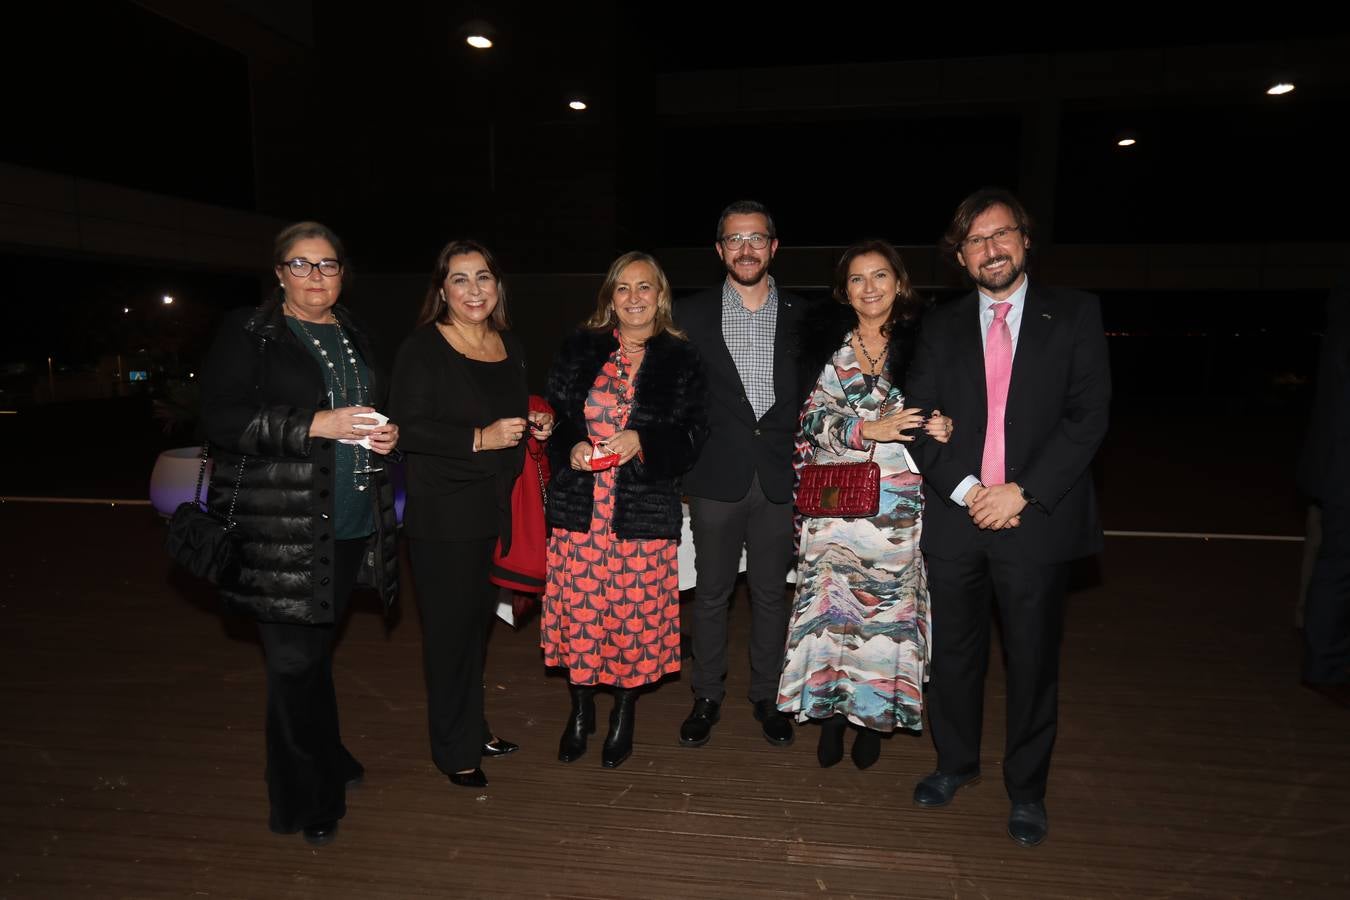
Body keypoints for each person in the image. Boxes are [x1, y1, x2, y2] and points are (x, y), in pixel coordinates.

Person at [904, 189, 1111, 847]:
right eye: (975, 241)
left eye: (1001, 235)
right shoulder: (939, 327)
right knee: (956, 656)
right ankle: (954, 763)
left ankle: (1027, 790)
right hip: (957, 519)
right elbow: (918, 422)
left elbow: (1088, 417)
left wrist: (1021, 492)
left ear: (1024, 240)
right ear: (960, 258)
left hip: (1035, 518)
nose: (991, 248)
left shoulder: (1075, 314)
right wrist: (969, 490)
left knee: (1032, 661)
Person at [200, 221, 400, 846]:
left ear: (343, 272)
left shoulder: (355, 333)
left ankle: (329, 758)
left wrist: (385, 438)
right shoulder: (251, 331)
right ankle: (305, 798)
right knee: (292, 663)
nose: (317, 276)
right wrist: (316, 423)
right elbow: (220, 417)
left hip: (344, 522)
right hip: (277, 527)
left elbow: (362, 414)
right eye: (302, 264)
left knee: (312, 658)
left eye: (328, 265)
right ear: (280, 273)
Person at [779, 240, 953, 769]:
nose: (870, 287)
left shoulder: (929, 342)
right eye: (858, 279)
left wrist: (947, 425)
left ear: (899, 283)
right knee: (832, 614)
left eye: (880, 276)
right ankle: (830, 715)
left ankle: (874, 718)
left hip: (897, 510)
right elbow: (807, 421)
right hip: (833, 504)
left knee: (883, 620)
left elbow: (952, 405)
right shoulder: (825, 347)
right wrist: (864, 429)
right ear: (844, 290)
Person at [388, 240, 553, 790]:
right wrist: (478, 438)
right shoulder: (423, 349)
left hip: (498, 511)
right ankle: (453, 749)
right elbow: (404, 429)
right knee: (449, 637)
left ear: (497, 285)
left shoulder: (508, 344)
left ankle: (474, 726)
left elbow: (515, 404)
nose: (474, 289)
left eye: (483, 277)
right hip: (445, 517)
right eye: (460, 280)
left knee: (475, 634)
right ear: (442, 291)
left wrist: (536, 421)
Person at [542, 251, 707, 769]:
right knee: (582, 617)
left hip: (642, 513)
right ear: (609, 297)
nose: (634, 299)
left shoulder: (681, 358)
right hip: (580, 513)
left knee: (633, 621)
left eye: (645, 288)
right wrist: (568, 444)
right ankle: (580, 710)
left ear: (660, 295)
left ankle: (623, 714)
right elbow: (558, 414)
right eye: (623, 289)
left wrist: (644, 440)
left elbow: (693, 436)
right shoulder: (580, 347)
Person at [674, 200, 805, 748]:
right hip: (714, 479)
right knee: (711, 595)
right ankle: (706, 696)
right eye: (734, 239)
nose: (746, 249)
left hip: (779, 479)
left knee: (773, 595)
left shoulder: (805, 313)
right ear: (719, 250)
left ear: (773, 247)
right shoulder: (689, 315)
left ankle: (767, 697)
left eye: (756, 238)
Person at [1298, 271, 1350, 704]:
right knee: (1338, 568)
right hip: (1342, 467)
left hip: (1336, 465)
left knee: (1335, 565)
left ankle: (1325, 662)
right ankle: (1325, 666)